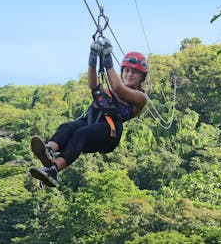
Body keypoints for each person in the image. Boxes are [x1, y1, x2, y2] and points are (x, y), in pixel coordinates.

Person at [29, 38, 148, 187]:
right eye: (127, 70)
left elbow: (118, 88)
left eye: (134, 72)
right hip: (93, 121)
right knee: (67, 127)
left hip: (109, 133)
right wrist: (93, 58)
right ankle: (49, 149)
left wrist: (107, 57)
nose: (129, 74)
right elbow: (93, 85)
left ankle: (54, 170)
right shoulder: (110, 91)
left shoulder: (140, 97)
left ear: (142, 77)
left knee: (81, 134)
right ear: (122, 71)